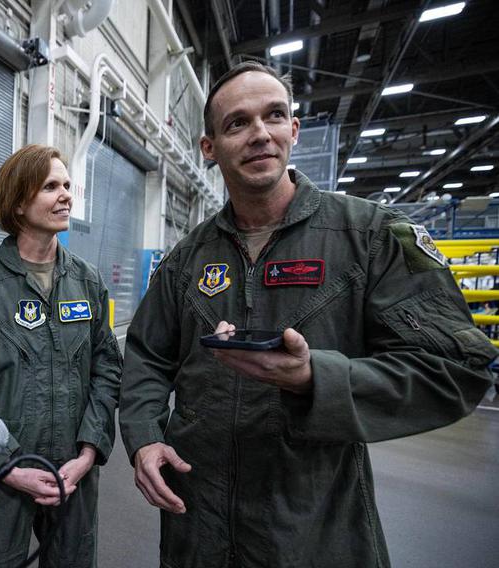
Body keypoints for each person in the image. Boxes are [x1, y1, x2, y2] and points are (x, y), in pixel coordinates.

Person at [118, 61, 497, 568]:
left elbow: (455, 366)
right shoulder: (186, 261)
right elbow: (145, 357)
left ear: (293, 130)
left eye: (274, 116)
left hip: (312, 530)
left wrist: (316, 377)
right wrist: (144, 439)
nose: (260, 135)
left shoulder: (370, 237)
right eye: (237, 123)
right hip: (197, 524)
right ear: (208, 149)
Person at [0, 144, 122, 567]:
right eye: (50, 186)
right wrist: (8, 467)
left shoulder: (87, 282)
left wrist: (88, 453)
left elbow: (107, 368)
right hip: (2, 478)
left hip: (73, 475)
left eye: (67, 185)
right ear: (18, 202)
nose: (66, 195)